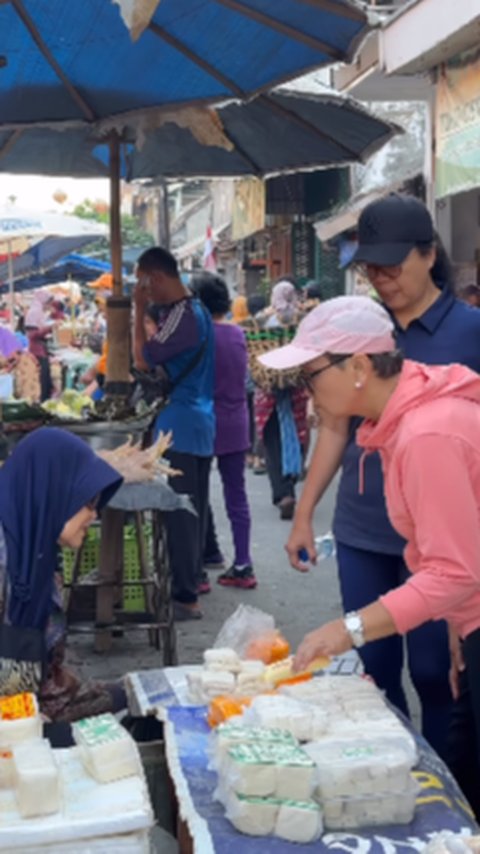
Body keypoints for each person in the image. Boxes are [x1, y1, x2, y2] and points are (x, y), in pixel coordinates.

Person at [261, 295, 480, 817]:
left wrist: (348, 629)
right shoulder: (405, 420)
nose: (307, 395)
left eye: (311, 376)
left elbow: (454, 570)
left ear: (359, 367)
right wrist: (459, 623)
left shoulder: (427, 433)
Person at [285, 194, 480, 763]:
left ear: (429, 255)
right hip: (371, 524)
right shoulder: (357, 328)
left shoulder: (464, 337)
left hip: (447, 533)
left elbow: (456, 570)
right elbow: (336, 428)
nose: (381, 277)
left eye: (393, 263)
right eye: (371, 267)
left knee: (439, 670)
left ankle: (450, 780)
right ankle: (394, 769)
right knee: (376, 670)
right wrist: (304, 512)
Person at [0, 427, 124, 724]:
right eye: (88, 502)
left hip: (27, 713)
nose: (94, 516)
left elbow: (48, 679)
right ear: (53, 494)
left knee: (132, 699)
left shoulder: (40, 560)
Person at [134, 247, 215, 621]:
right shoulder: (195, 311)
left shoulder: (183, 316)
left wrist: (135, 311)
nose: (145, 292)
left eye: (144, 283)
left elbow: (142, 357)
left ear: (156, 277)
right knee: (193, 510)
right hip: (199, 421)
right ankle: (191, 584)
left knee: (180, 514)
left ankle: (185, 596)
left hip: (181, 425)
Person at [193, 273, 256, 589]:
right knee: (236, 495)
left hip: (204, 421)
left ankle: (198, 570)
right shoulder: (237, 334)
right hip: (236, 419)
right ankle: (243, 563)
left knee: (197, 494)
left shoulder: (200, 336)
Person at [255, 280, 308, 520]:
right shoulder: (303, 321)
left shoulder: (265, 321)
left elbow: (255, 358)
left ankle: (282, 493)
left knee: (273, 445)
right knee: (297, 440)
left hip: (268, 394)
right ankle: (291, 487)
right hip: (296, 393)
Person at [25, 291, 55, 401]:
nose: (49, 306)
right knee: (42, 379)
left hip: (40, 348)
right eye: (48, 303)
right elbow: (32, 335)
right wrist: (49, 328)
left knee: (45, 378)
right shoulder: (34, 313)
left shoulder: (39, 312)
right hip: (37, 351)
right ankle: (42, 402)